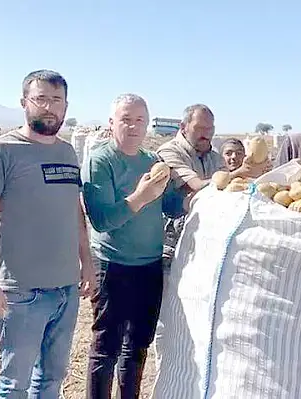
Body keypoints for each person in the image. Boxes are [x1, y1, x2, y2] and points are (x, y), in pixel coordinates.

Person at [0, 69, 95, 398]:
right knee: (14, 384)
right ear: (24, 103)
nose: (49, 108)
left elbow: (75, 213)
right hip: (21, 293)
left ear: (66, 106)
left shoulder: (67, 153)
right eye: (41, 99)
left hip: (66, 289)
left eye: (56, 100)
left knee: (52, 379)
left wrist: (87, 263)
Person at [81, 94, 188, 399]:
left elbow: (169, 204)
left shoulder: (153, 162)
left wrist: (201, 195)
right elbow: (101, 220)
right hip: (112, 265)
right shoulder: (100, 161)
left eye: (140, 119)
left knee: (138, 346)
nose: (133, 126)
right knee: (106, 348)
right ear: (112, 123)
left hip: (149, 266)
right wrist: (140, 196)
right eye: (126, 119)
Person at [156, 104, 269, 267]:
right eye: (200, 128)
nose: (206, 134)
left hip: (206, 241)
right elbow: (196, 185)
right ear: (183, 127)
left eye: (210, 129)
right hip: (174, 244)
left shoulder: (215, 158)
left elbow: (226, 190)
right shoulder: (169, 152)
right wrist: (240, 172)